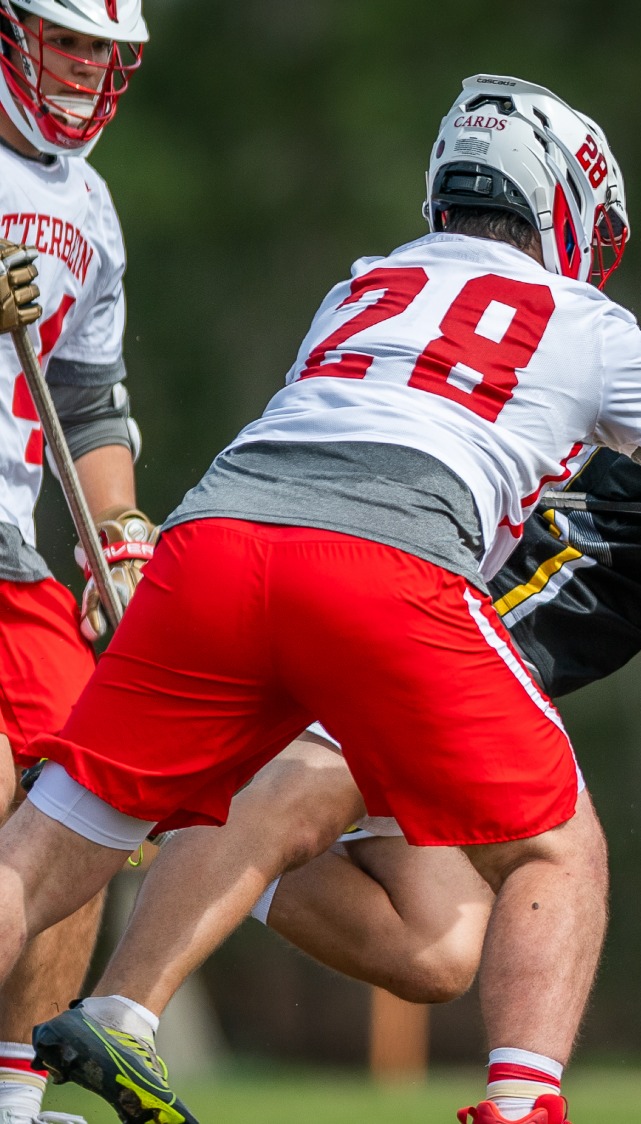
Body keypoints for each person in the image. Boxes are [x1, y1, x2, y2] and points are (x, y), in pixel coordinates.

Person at [0, 74, 641, 1124]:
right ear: (559, 203)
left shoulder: (363, 282)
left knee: (56, 841)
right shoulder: (595, 322)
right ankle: (521, 1105)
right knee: (559, 847)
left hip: (208, 543)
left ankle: (115, 1016)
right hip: (389, 567)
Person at [0, 4, 149, 1122]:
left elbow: (88, 400)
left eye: (106, 49)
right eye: (71, 40)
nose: (90, 69)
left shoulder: (87, 205)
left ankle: (13, 1099)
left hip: (14, 554)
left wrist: (120, 533)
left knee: (84, 801)